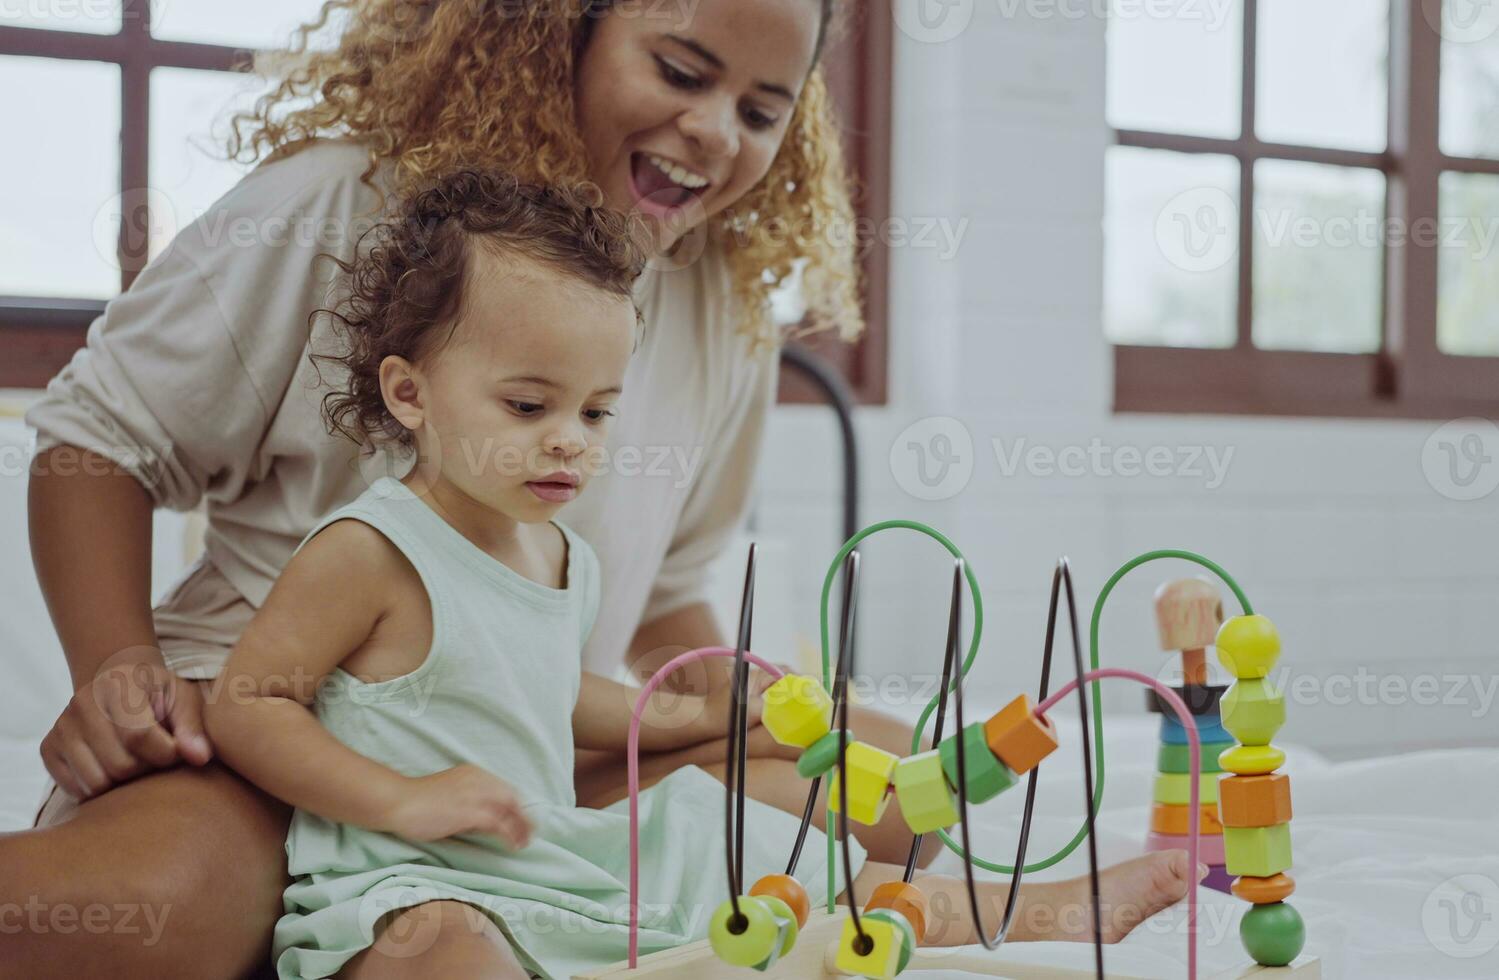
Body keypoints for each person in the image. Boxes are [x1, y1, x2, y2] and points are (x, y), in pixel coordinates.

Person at [3, 1, 1200, 976]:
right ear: (554, 29)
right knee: (161, 911)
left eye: (760, 109)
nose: (712, 131)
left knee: (889, 788)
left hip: (531, 731)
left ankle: (965, 902)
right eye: (679, 69)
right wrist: (117, 669)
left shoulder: (718, 302)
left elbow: (666, 595)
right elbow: (94, 442)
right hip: (283, 727)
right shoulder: (342, 207)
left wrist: (732, 700)